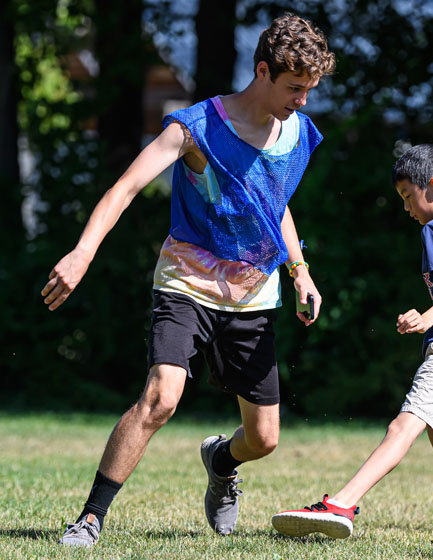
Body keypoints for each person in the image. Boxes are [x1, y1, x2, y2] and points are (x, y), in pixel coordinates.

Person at [41, 14, 336, 547]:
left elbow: (276, 204)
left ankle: (221, 461)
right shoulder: (196, 127)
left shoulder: (295, 132)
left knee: (264, 439)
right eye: (295, 88)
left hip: (253, 294)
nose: (303, 101)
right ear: (263, 71)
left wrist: (300, 270)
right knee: (162, 396)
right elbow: (125, 188)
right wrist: (82, 252)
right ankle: (90, 518)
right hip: (187, 281)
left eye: (309, 90)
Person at [271, 142, 433, 539]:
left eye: (408, 197)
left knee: (404, 425)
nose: (406, 208)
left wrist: (425, 317)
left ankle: (341, 503)